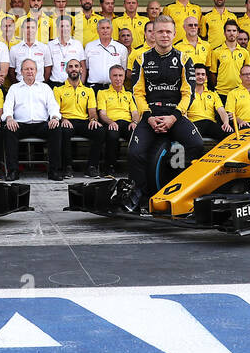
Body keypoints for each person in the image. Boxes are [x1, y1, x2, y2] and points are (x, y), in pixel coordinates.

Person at [125, 16, 202, 212]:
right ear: (153, 34)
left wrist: (174, 117)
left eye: (168, 31)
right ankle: (141, 197)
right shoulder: (141, 59)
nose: (164, 35)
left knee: (196, 145)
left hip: (175, 114)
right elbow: (137, 93)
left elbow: (188, 93)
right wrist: (148, 117)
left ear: (175, 34)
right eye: (160, 31)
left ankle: (184, 192)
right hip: (150, 115)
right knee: (134, 152)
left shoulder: (185, 59)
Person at [1, 58, 60, 181]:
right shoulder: (14, 88)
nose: (29, 71)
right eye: (26, 69)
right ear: (21, 72)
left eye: (32, 69)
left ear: (36, 71)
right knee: (8, 130)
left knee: (56, 130)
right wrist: (9, 118)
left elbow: (53, 106)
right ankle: (13, 171)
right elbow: (7, 106)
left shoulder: (45, 88)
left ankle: (54, 171)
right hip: (20, 124)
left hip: (41, 124)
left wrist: (54, 117)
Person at [52, 58, 102, 179]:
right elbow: (55, 110)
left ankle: (91, 167)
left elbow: (92, 111)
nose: (73, 69)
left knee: (100, 131)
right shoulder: (58, 90)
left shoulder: (88, 90)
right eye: (70, 66)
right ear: (66, 70)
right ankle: (67, 167)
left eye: (76, 66)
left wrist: (93, 120)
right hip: (66, 120)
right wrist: (63, 119)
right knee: (63, 131)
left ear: (81, 69)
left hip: (83, 121)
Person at [95, 64, 138, 176]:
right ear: (110, 77)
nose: (118, 78)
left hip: (127, 123)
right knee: (112, 135)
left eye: (120, 75)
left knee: (136, 135)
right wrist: (111, 122)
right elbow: (102, 113)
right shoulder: (102, 93)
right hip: (111, 122)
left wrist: (134, 122)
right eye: (115, 75)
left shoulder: (129, 94)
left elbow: (135, 112)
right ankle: (110, 168)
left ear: (124, 77)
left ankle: (135, 168)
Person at [187, 63, 231, 142]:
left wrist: (226, 123)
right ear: (192, 76)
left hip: (210, 125)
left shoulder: (213, 94)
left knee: (230, 134)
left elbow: (222, 111)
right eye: (197, 74)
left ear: (206, 78)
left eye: (203, 74)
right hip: (194, 124)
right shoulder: (187, 93)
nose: (200, 77)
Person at [210, 21, 250, 100]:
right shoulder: (216, 52)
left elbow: (247, 73)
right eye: (228, 31)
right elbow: (213, 73)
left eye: (234, 31)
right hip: (221, 92)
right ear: (224, 33)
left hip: (239, 92)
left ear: (238, 33)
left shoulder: (245, 52)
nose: (231, 33)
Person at [84, 18, 129, 90]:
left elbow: (124, 69)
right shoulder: (89, 46)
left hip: (113, 88)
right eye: (102, 28)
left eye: (108, 28)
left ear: (112, 30)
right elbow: (86, 68)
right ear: (97, 30)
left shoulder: (121, 48)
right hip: (93, 87)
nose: (105, 30)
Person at [46, 15, 84, 86]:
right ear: (57, 28)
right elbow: (48, 68)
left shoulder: (77, 44)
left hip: (74, 84)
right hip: (55, 84)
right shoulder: (50, 45)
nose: (65, 29)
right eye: (62, 26)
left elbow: (83, 66)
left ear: (71, 27)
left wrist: (81, 84)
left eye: (67, 26)